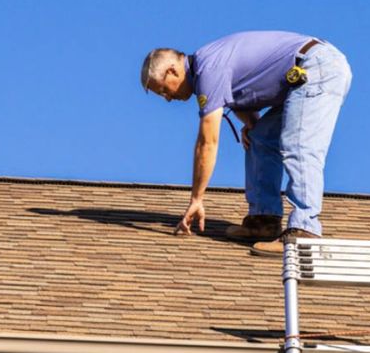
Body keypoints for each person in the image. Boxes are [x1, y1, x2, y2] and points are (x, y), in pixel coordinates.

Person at [140, 31, 352, 256]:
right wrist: (252, 123)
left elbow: (207, 143)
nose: (167, 98)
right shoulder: (208, 68)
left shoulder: (209, 69)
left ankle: (305, 231)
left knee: (299, 145)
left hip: (317, 67)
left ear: (172, 70)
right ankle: (263, 221)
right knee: (260, 137)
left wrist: (196, 199)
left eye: (163, 89)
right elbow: (244, 91)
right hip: (307, 73)